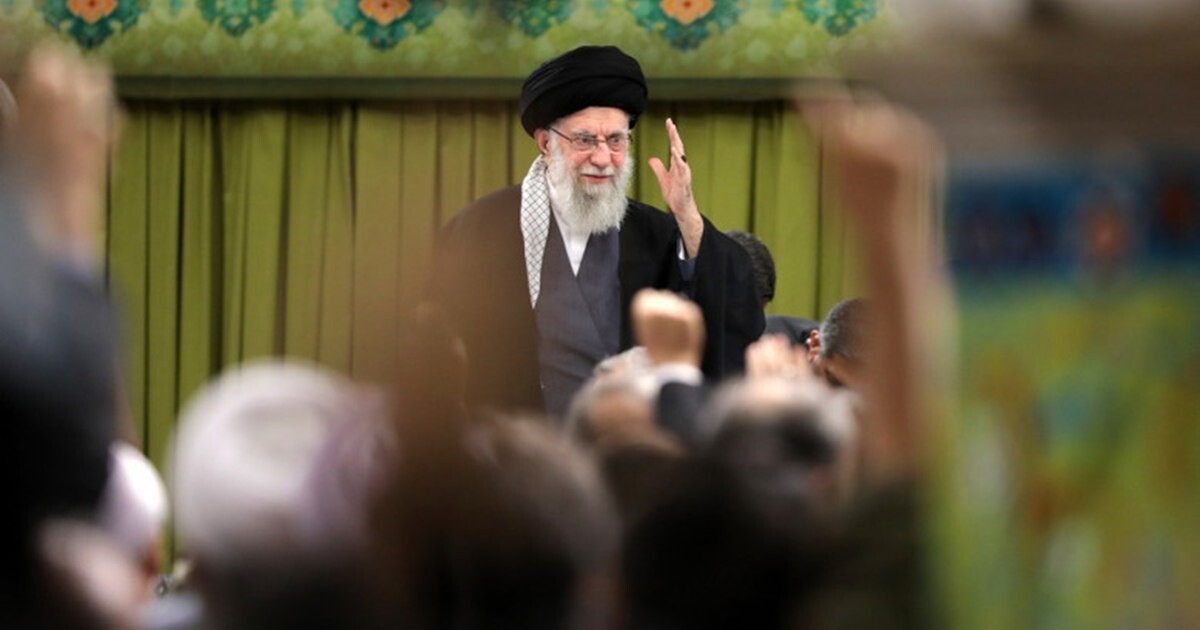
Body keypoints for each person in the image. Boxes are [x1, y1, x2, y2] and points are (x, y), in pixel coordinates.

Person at [426, 45, 763, 420]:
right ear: (546, 143)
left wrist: (687, 215)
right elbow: (436, 349)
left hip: (624, 443)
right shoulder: (481, 229)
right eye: (585, 140)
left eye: (616, 140)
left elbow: (730, 307)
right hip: (515, 442)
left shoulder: (656, 233)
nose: (603, 159)